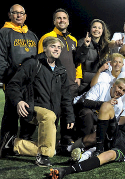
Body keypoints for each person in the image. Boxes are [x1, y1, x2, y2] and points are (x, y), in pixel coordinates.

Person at [3, 37, 75, 167]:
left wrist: (70, 116)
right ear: (45, 48)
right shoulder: (33, 63)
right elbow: (13, 85)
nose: (56, 49)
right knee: (49, 116)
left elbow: (66, 96)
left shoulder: (61, 70)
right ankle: (42, 157)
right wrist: (19, 101)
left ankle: (14, 143)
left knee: (51, 150)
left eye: (59, 47)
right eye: (53, 46)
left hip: (51, 114)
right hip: (32, 108)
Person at [49, 111, 125, 179]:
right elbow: (122, 127)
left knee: (109, 155)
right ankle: (66, 149)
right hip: (119, 136)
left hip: (123, 149)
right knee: (98, 131)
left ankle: (65, 170)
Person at [38, 8, 80, 145]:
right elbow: (41, 60)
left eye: (64, 18)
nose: (62, 20)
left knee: (68, 112)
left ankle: (66, 140)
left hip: (70, 84)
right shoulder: (47, 37)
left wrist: (78, 76)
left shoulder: (73, 40)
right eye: (59, 18)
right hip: (53, 84)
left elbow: (77, 61)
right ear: (54, 21)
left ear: (68, 21)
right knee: (54, 113)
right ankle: (50, 141)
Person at [0, 4, 38, 149]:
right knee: (11, 113)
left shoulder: (31, 35)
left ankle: (23, 142)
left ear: (25, 16)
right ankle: (6, 144)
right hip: (13, 80)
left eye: (21, 13)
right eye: (15, 13)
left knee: (28, 111)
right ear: (9, 15)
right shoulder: (4, 32)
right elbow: (1, 57)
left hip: (30, 82)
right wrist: (7, 77)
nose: (18, 15)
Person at [75, 19, 114, 94]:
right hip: (84, 84)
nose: (96, 29)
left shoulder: (104, 46)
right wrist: (85, 46)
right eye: (94, 27)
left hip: (97, 84)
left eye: (99, 28)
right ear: (90, 29)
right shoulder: (83, 42)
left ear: (102, 31)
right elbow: (78, 59)